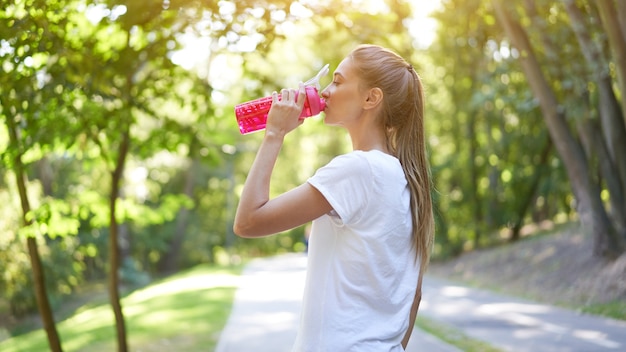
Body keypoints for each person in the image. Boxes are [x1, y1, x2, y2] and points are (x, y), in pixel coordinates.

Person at [233, 44, 435, 351]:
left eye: (338, 81)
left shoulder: (358, 169)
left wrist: (274, 134)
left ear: (371, 98)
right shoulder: (405, 177)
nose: (325, 92)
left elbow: (248, 222)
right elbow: (414, 295)